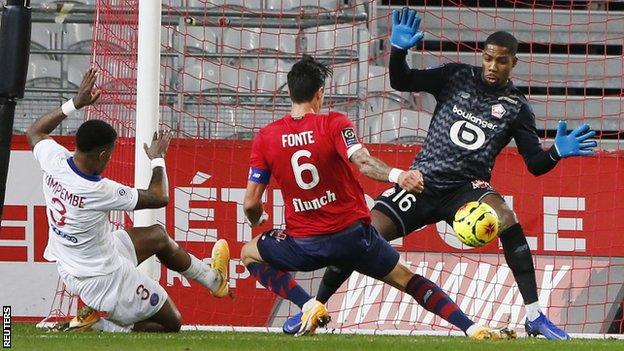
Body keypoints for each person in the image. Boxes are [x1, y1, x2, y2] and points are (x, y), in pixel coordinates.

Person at [284, 8, 597, 340]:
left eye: (501, 61)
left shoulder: (517, 107)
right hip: (421, 181)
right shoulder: (456, 75)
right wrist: (399, 51)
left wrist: (557, 152)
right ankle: (314, 307)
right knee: (358, 237)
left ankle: (534, 316)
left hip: (466, 189)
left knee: (506, 217)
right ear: (483, 56)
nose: (493, 66)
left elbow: (535, 163)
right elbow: (402, 80)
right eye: (489, 58)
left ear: (513, 64)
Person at [240, 55, 515, 339]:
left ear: (289, 92)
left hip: (305, 245)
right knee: (409, 280)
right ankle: (471, 328)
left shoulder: (266, 137)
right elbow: (363, 162)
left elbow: (250, 203)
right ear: (320, 92)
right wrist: (399, 176)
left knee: (248, 254)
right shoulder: (334, 123)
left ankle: (307, 303)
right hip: (354, 238)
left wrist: (257, 217)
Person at [27, 68, 231, 333]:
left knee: (157, 236)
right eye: (110, 154)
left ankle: (215, 281)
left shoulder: (54, 159)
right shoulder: (98, 190)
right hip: (103, 278)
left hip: (83, 259)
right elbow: (160, 197)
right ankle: (101, 325)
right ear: (101, 154)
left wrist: (75, 103)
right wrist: (158, 159)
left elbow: (34, 132)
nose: (110, 158)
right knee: (171, 322)